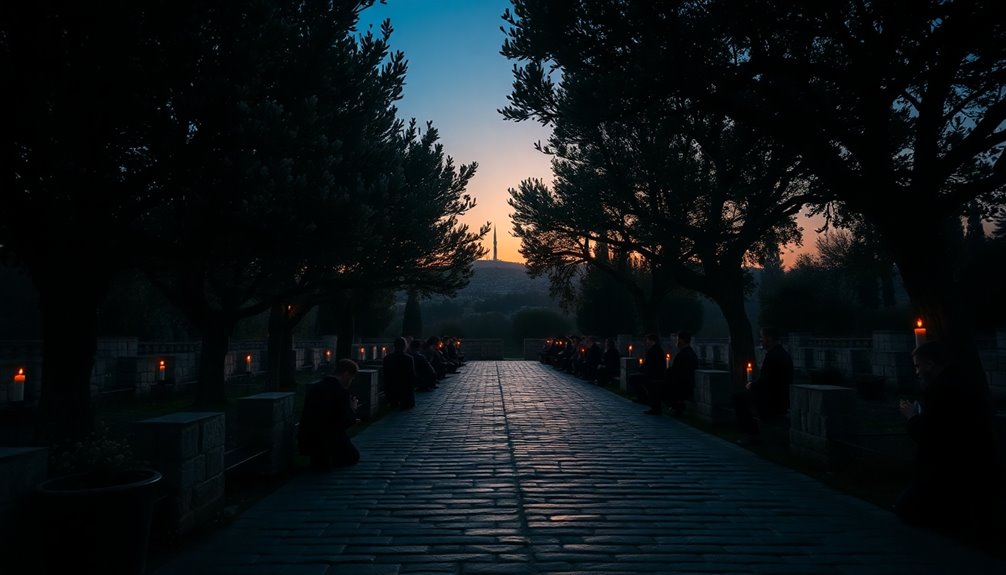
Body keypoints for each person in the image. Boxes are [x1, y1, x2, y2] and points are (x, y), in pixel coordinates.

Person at [894, 340, 1005, 534]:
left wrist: (911, 416)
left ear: (930, 364)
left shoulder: (939, 389)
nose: (917, 372)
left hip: (950, 468)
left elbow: (931, 435)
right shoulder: (963, 382)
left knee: (907, 508)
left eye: (919, 366)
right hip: (973, 462)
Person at [297, 358, 361, 470]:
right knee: (353, 456)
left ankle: (320, 459)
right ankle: (330, 458)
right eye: (352, 378)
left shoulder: (316, 388)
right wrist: (352, 409)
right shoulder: (341, 391)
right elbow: (344, 421)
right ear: (346, 374)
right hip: (329, 439)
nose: (351, 381)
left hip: (309, 439)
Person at [732, 327, 793, 444]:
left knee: (738, 399)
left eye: (762, 337)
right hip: (779, 396)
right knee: (743, 397)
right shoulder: (781, 354)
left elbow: (766, 381)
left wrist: (751, 385)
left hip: (773, 400)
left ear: (769, 338)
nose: (761, 341)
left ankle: (751, 434)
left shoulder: (773, 356)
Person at [627, 334, 664, 413]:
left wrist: (642, 367)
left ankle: (644, 398)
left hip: (653, 375)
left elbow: (650, 364)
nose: (647, 343)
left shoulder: (653, 350)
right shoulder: (657, 349)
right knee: (634, 378)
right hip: (654, 373)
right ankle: (642, 397)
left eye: (647, 340)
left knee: (632, 378)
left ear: (652, 340)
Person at [665, 331, 700, 415]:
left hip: (683, 384)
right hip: (684, 381)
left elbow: (677, 370)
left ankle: (675, 406)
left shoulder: (684, 354)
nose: (677, 342)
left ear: (682, 340)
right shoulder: (689, 353)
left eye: (678, 339)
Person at [382, 336, 416, 410]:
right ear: (404, 346)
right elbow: (411, 376)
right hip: (405, 391)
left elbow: (385, 376)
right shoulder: (409, 358)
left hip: (391, 390)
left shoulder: (387, 358)